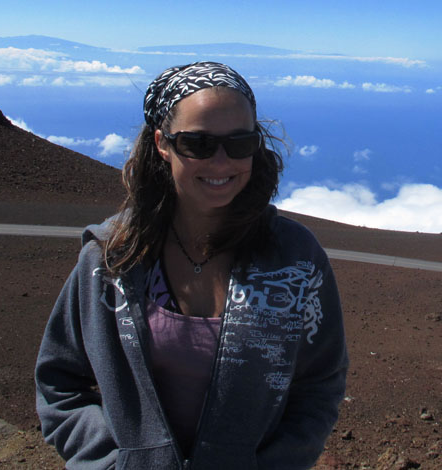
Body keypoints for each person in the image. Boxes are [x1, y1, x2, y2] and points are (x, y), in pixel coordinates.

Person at [35, 62, 348, 469]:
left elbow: (320, 384)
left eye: (239, 143)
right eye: (198, 144)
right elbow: (59, 381)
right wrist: (116, 463)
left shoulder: (295, 259)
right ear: (162, 143)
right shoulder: (111, 258)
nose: (221, 162)